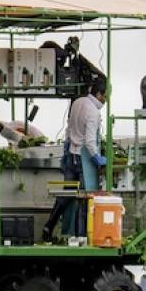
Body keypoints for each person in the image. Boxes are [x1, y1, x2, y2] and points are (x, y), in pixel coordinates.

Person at [66, 79, 108, 236]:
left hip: (71, 154)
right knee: (85, 199)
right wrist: (98, 158)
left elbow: (69, 128)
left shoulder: (77, 102)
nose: (106, 100)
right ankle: (82, 236)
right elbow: (90, 142)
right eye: (105, 96)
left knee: (68, 197)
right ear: (98, 94)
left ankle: (63, 232)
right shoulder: (93, 112)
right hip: (82, 160)